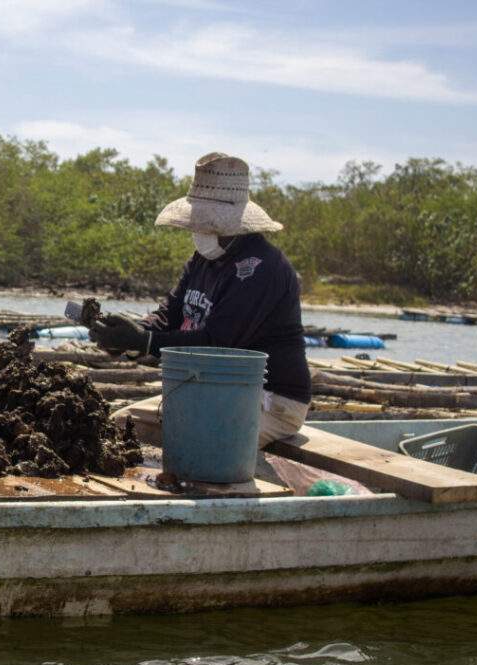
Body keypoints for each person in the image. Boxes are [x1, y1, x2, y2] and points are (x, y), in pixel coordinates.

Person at [89, 152, 311, 448]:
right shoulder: (203, 259)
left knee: (202, 448)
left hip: (269, 400)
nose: (198, 231)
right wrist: (128, 335)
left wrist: (144, 342)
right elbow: (170, 315)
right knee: (119, 426)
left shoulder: (261, 268)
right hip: (207, 389)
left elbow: (218, 345)